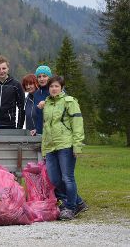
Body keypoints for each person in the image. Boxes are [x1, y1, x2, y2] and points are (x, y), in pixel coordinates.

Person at [41, 76, 88, 220]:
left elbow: (77, 124)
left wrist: (77, 146)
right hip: (50, 146)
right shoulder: (47, 104)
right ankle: (78, 202)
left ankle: (71, 208)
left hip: (65, 145)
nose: (53, 89)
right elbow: (46, 127)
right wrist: (44, 148)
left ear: (61, 88)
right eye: (51, 87)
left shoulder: (70, 102)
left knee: (67, 178)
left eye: (56, 86)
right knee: (54, 179)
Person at [33, 65, 52, 134]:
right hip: (40, 133)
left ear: (49, 77)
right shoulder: (36, 94)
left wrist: (47, 102)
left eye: (44, 76)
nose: (41, 79)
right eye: (39, 76)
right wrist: (36, 129)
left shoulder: (55, 90)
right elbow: (39, 116)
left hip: (54, 134)